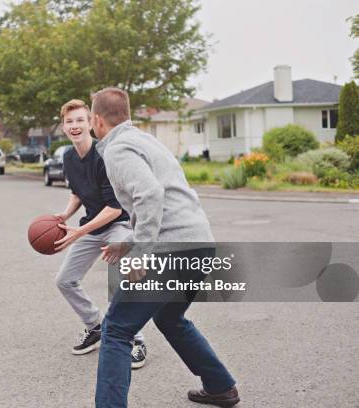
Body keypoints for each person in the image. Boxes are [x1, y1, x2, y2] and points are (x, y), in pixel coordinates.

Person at [90, 88, 239, 407]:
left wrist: (141, 254)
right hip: (199, 245)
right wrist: (129, 241)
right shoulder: (145, 140)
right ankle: (221, 386)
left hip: (172, 251)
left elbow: (151, 195)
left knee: (116, 329)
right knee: (170, 318)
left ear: (96, 120)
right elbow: (166, 201)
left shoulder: (118, 149)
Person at [52, 99, 147, 368]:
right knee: (65, 280)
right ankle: (95, 326)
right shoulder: (68, 157)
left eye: (80, 120)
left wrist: (78, 231)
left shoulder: (105, 155)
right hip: (92, 224)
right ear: (63, 126)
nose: (74, 126)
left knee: (123, 275)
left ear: (91, 123)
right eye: (69, 121)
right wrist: (64, 215)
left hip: (119, 225)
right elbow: (77, 192)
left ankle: (135, 338)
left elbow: (115, 209)